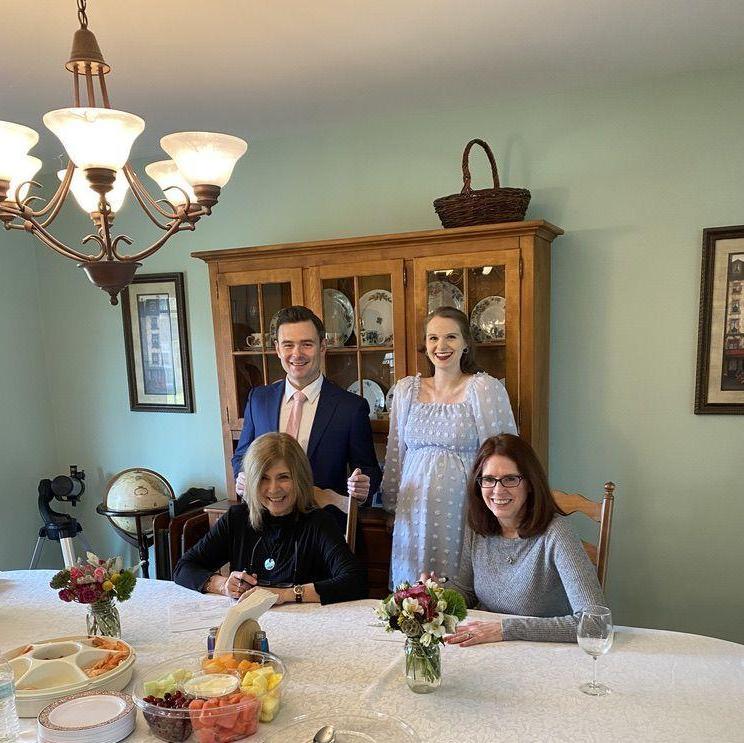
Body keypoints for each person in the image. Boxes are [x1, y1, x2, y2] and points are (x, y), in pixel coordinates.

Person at [381, 306, 517, 589]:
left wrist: (503, 514)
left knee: (456, 599)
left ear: (466, 343)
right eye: (433, 338)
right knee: (412, 603)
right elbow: (395, 456)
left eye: (451, 337)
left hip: (464, 511)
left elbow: (504, 456)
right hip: (412, 515)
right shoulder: (406, 390)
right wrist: (391, 509)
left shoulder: (483, 389)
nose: (441, 346)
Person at [432, 433, 606, 644]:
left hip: (548, 653)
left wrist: (506, 629)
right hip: (490, 648)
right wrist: (434, 594)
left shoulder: (557, 533)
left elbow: (595, 624)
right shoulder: (477, 528)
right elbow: (466, 592)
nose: (498, 490)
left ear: (530, 483)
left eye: (510, 479)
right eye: (488, 479)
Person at [174, 432, 367, 605]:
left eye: (283, 477)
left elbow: (355, 581)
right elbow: (184, 568)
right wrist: (223, 585)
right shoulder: (237, 519)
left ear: (299, 479)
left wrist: (285, 594)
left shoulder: (319, 523)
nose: (273, 489)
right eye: (264, 478)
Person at [232, 306, 382, 515]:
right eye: (288, 345)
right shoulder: (258, 399)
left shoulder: (351, 408)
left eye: (306, 344)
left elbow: (369, 470)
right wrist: (242, 475)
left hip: (324, 527)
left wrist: (363, 487)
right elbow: (241, 456)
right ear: (277, 349)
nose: (296, 354)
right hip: (265, 524)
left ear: (323, 346)